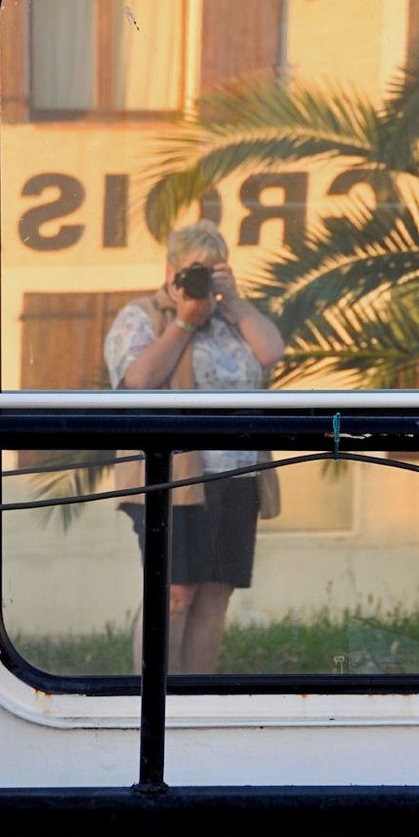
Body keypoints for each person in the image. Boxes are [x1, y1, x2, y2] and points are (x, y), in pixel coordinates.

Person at [104, 220, 284, 675]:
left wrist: (235, 300)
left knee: (214, 593)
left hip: (236, 474)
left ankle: (197, 702)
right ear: (170, 272)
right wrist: (184, 321)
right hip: (173, 478)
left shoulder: (232, 316)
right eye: (192, 271)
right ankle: (159, 703)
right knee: (174, 593)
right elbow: (139, 380)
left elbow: (271, 352)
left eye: (212, 269)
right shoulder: (143, 315)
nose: (200, 280)